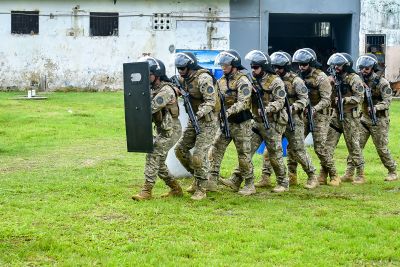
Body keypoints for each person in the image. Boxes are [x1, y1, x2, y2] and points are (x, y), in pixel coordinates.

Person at [220, 50, 289, 193]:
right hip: (257, 123)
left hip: (273, 122)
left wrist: (268, 109)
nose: (253, 70)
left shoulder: (276, 81)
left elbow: (281, 101)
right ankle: (236, 179)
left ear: (263, 67)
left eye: (256, 67)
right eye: (252, 67)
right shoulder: (252, 80)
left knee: (274, 153)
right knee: (246, 152)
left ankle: (283, 182)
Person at [132, 57, 183, 201]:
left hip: (171, 130)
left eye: (148, 74)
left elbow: (151, 108)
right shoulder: (154, 89)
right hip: (163, 129)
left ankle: (146, 191)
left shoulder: (166, 90)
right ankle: (176, 189)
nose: (146, 77)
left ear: (157, 74)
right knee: (159, 163)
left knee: (153, 154)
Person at [341, 53, 397, 183]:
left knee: (381, 148)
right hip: (364, 119)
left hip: (379, 120)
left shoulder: (382, 83)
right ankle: (349, 172)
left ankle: (392, 171)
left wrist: (376, 107)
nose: (363, 71)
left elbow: (387, 101)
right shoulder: (358, 80)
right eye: (361, 68)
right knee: (355, 146)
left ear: (373, 68)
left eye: (366, 68)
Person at [208, 49, 256, 196]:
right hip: (226, 123)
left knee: (243, 154)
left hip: (242, 123)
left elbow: (243, 102)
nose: (223, 67)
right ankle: (212, 180)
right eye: (222, 65)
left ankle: (249, 184)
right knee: (216, 149)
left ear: (234, 65)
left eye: (226, 65)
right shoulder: (221, 81)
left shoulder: (243, 80)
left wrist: (228, 111)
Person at [269, 51, 319, 189]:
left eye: (279, 67)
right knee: (271, 149)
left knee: (298, 150)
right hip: (276, 120)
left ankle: (312, 176)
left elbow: (305, 99)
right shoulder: (272, 80)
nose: (276, 70)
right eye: (274, 67)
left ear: (285, 67)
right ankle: (266, 177)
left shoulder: (296, 81)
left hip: (294, 119)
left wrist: (292, 107)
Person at [173, 52, 219, 200]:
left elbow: (211, 102)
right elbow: (174, 85)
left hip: (207, 121)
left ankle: (201, 188)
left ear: (190, 66)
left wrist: (198, 114)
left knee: (199, 155)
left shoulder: (203, 78)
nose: (180, 71)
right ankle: (198, 178)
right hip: (194, 121)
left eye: (183, 68)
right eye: (178, 68)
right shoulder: (184, 78)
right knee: (180, 150)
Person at [292, 48, 333, 186]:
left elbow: (327, 99)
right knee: (294, 145)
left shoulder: (321, 77)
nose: (301, 67)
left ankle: (333, 174)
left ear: (311, 63)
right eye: (299, 64)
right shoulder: (298, 77)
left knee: (320, 148)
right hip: (303, 114)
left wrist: (315, 108)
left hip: (320, 115)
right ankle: (292, 176)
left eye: (303, 64)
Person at [325, 52, 365, 185]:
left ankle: (359, 174)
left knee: (353, 146)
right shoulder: (333, 78)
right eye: (335, 65)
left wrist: (343, 100)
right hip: (335, 116)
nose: (336, 68)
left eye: (339, 65)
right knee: (328, 146)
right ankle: (323, 173)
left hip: (350, 117)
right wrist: (328, 84)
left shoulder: (354, 79)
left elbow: (360, 98)